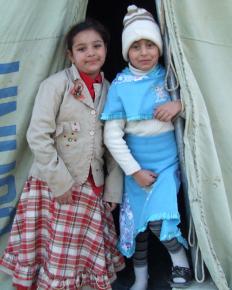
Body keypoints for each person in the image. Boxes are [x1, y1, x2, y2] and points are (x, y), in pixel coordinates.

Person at [0, 19, 125, 290]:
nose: (90, 53)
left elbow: (114, 142)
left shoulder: (112, 90)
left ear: (106, 48)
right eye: (81, 49)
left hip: (93, 187)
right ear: (70, 55)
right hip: (53, 187)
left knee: (79, 255)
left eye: (97, 46)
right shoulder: (55, 85)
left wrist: (112, 189)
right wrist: (60, 182)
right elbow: (38, 135)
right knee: (52, 252)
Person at [101, 5, 192, 290]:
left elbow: (201, 106)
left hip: (166, 164)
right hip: (136, 168)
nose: (143, 52)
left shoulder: (171, 77)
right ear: (126, 51)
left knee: (160, 220)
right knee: (136, 227)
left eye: (150, 45)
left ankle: (182, 263)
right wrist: (135, 171)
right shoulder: (120, 86)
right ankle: (141, 279)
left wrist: (180, 104)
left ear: (160, 48)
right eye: (136, 46)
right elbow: (112, 136)